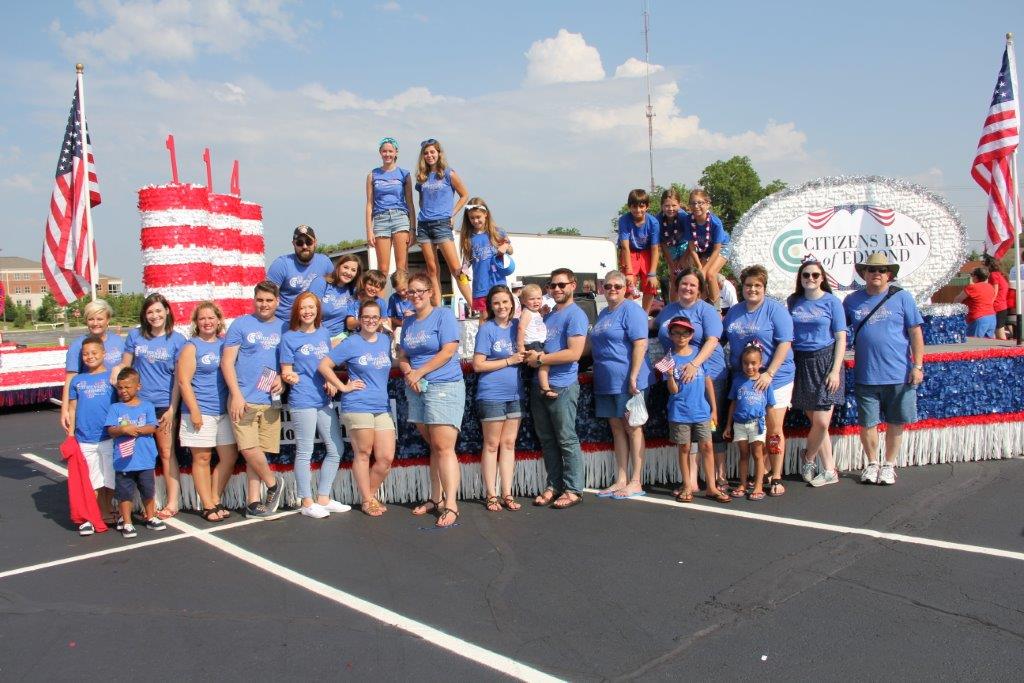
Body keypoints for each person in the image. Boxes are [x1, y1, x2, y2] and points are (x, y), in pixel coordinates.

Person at [844, 253, 924, 486]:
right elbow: (837, 328)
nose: (876, 274)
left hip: (898, 373)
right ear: (864, 274)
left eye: (881, 270)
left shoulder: (902, 298)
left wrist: (918, 366)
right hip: (866, 374)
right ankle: (872, 463)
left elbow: (916, 333)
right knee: (867, 423)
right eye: (871, 270)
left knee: (895, 421)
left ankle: (889, 464)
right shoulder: (852, 301)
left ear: (889, 274)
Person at [396, 272, 467, 527]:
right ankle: (435, 498)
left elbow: (448, 350)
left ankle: (451, 504)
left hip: (443, 385)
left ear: (429, 293)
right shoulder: (408, 323)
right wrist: (409, 374)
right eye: (410, 292)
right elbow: (403, 355)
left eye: (419, 291)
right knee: (434, 446)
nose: (415, 295)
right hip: (416, 388)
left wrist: (419, 372)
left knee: (444, 447)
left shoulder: (443, 315)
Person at [723, 265, 794, 497]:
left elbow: (785, 343)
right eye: (748, 285)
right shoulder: (734, 312)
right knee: (750, 431)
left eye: (757, 285)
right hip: (744, 380)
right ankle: (756, 477)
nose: (752, 289)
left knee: (773, 429)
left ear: (764, 287)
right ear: (741, 287)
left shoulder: (776, 310)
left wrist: (769, 373)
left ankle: (775, 476)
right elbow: (719, 338)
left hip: (775, 378)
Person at [652, 268, 728, 488]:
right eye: (684, 283)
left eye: (693, 285)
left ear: (700, 289)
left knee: (711, 425)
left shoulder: (707, 311)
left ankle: (719, 475)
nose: (687, 288)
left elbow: (712, 340)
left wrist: (695, 365)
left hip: (708, 373)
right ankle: (692, 478)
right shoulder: (668, 310)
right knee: (688, 425)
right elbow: (654, 326)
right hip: (679, 376)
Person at [280, 292, 352, 519]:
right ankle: (306, 501)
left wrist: (331, 382)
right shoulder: (289, 338)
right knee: (305, 450)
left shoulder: (323, 333)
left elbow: (327, 366)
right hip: (302, 400)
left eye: (311, 307)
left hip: (323, 400)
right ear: (297, 312)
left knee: (336, 448)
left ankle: (323, 497)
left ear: (317, 310)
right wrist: (290, 377)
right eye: (303, 308)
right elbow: (286, 370)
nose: (307, 311)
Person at [114, 293, 186, 518]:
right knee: (136, 454)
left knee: (166, 452)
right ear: (144, 315)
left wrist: (173, 408)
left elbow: (178, 380)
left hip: (164, 405)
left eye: (158, 310)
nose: (155, 316)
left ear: (167, 311)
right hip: (138, 406)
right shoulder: (135, 336)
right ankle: (138, 503)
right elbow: (125, 370)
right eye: (150, 312)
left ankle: (172, 502)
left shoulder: (178, 340)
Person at [321, 299, 395, 516]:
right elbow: (324, 365)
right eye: (366, 317)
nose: (371, 321)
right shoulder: (351, 342)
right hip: (357, 404)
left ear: (380, 319)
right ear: (359, 320)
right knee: (364, 453)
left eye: (375, 317)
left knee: (386, 457)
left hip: (382, 406)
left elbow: (392, 363)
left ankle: (368, 496)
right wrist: (343, 386)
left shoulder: (385, 340)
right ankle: (367, 500)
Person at [221, 281, 287, 518]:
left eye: (269, 300)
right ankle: (273, 484)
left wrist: (283, 378)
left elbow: (288, 363)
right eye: (260, 300)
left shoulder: (285, 327)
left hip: (270, 400)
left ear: (277, 301)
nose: (264, 304)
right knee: (248, 449)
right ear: (254, 300)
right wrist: (236, 395)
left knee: (258, 453)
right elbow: (227, 362)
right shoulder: (241, 324)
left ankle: (253, 502)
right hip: (243, 400)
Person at [528, 268, 588, 510]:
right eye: (553, 286)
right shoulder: (549, 315)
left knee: (566, 439)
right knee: (547, 440)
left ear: (573, 285)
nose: (557, 289)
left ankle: (573, 489)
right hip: (539, 385)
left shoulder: (576, 315)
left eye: (562, 285)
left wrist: (541, 359)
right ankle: (554, 485)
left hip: (563, 385)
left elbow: (574, 353)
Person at [590, 270, 653, 499]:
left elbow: (640, 344)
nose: (612, 290)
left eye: (617, 286)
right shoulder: (604, 313)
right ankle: (621, 479)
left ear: (625, 287)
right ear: (602, 289)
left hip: (627, 381)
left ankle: (636, 480)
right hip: (607, 383)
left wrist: (634, 376)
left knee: (633, 428)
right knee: (617, 429)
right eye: (608, 286)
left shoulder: (632, 311)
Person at [176, 302, 238, 521]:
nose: (207, 322)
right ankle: (207, 504)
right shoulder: (191, 347)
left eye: (211, 318)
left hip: (224, 411)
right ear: (196, 322)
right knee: (202, 458)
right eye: (202, 318)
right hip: (200, 410)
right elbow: (183, 382)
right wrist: (194, 410)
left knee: (229, 457)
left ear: (219, 320)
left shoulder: (225, 345)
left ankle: (215, 497)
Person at [788, 258, 847, 488]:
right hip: (802, 362)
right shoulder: (793, 301)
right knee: (815, 422)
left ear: (822, 277)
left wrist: (835, 370)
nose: (810, 279)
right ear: (800, 279)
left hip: (826, 362)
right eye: (806, 275)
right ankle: (830, 470)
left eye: (814, 275)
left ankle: (808, 458)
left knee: (822, 421)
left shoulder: (832, 302)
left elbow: (841, 337)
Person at [472, 285, 526, 511]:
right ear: (491, 307)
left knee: (508, 444)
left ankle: (507, 492)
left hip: (516, 394)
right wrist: (508, 361)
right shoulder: (487, 329)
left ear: (512, 304)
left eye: (505, 302)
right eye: (496, 303)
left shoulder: (518, 326)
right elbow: (478, 364)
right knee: (492, 444)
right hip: (491, 394)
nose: (501, 307)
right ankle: (491, 494)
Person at [663, 317, 722, 503]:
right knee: (685, 448)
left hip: (702, 410)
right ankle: (687, 484)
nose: (681, 337)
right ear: (670, 335)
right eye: (676, 333)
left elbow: (708, 381)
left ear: (691, 335)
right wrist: (671, 375)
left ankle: (711, 486)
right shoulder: (669, 358)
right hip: (680, 412)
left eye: (685, 333)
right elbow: (673, 391)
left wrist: (714, 409)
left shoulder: (698, 354)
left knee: (707, 446)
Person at [105, 367, 165, 539]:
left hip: (145, 459)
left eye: (127, 387)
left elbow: (152, 427)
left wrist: (135, 430)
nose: (123, 391)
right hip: (124, 461)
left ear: (138, 387)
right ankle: (127, 522)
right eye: (120, 388)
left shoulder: (147, 406)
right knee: (125, 493)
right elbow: (111, 430)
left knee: (148, 490)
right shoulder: (115, 408)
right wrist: (123, 429)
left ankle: (151, 516)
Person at [414, 139, 473, 308]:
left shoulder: (448, 173)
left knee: (456, 269)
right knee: (432, 269)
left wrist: (452, 214)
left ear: (439, 153)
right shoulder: (421, 178)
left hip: (442, 224)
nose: (429, 155)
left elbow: (464, 194)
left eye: (432, 152)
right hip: (424, 225)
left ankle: (473, 306)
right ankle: (437, 308)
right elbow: (422, 201)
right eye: (426, 153)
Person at [67, 335, 116, 534]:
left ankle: (108, 509)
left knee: (109, 478)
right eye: (85, 354)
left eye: (94, 353)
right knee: (92, 480)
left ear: (104, 354)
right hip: (85, 438)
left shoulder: (112, 377)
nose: (90, 357)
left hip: (109, 437)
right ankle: (90, 515)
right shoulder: (78, 380)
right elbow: (72, 408)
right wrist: (71, 435)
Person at [61, 299, 124, 435]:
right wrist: (65, 410)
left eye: (100, 319)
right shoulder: (78, 346)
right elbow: (70, 380)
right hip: (91, 407)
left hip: (117, 405)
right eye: (91, 319)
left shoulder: (118, 342)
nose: (95, 323)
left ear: (108, 320)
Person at [723, 344, 776, 501]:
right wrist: (728, 425)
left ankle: (759, 485)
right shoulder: (738, 381)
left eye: (753, 363)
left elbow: (770, 406)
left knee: (758, 454)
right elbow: (733, 403)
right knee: (744, 454)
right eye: (746, 363)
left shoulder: (765, 382)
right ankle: (743, 484)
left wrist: (773, 427)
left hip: (757, 424)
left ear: (760, 363)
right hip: (739, 424)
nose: (749, 367)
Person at [365, 136, 415, 274]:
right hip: (381, 219)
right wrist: (369, 230)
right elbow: (369, 204)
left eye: (390, 151)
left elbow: (410, 203)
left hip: (400, 218)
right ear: (380, 152)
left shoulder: (404, 174)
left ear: (396, 152)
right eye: (384, 151)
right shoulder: (372, 175)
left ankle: (404, 295)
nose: (387, 154)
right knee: (383, 268)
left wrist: (412, 229)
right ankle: (381, 296)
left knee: (402, 267)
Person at [457, 197, 515, 318]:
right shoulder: (468, 238)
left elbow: (511, 250)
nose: (475, 221)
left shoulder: (498, 232)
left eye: (478, 217)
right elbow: (467, 262)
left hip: (498, 283)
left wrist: (505, 246)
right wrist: (463, 270)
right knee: (484, 317)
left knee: (502, 316)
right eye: (472, 218)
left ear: (486, 214)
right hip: (481, 286)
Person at [266, 225, 334, 323]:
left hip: (314, 322)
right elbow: (268, 297)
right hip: (286, 323)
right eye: (300, 243)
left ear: (315, 242)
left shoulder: (325, 262)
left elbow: (335, 290)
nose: (304, 246)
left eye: (308, 242)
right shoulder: (281, 264)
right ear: (293, 244)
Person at [681, 189, 730, 306]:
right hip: (704, 249)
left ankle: (717, 309)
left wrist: (704, 269)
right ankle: (703, 304)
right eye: (693, 203)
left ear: (707, 204)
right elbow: (692, 246)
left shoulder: (715, 223)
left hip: (721, 247)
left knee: (710, 274)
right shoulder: (688, 220)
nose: (696, 206)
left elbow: (717, 249)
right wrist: (699, 266)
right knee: (698, 276)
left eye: (700, 203)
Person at [617, 188, 661, 312]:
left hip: (647, 252)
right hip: (630, 252)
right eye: (634, 207)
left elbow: (655, 249)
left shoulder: (653, 222)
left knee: (650, 284)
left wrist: (652, 273)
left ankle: (644, 314)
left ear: (647, 206)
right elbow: (625, 246)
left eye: (641, 207)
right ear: (629, 207)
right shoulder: (624, 220)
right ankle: (629, 312)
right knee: (628, 283)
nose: (638, 210)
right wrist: (629, 272)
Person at [311, 254, 362, 345]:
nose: (349, 272)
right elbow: (312, 314)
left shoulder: (352, 290)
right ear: (338, 267)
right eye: (345, 267)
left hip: (343, 337)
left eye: (353, 270)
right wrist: (327, 340)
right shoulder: (321, 283)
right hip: (319, 337)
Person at [517, 283, 552, 396]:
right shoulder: (526, 312)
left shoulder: (535, 312)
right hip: (532, 344)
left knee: (537, 366)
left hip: (539, 343)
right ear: (523, 301)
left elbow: (536, 320)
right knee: (544, 362)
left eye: (539, 298)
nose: (536, 301)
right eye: (532, 299)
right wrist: (520, 346)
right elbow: (521, 328)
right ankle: (545, 388)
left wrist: (543, 312)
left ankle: (532, 382)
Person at [658, 187, 690, 301]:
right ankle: (673, 306)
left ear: (679, 205)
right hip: (670, 246)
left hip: (685, 245)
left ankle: (692, 303)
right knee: (674, 276)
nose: (670, 209)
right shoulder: (658, 220)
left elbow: (691, 242)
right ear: (662, 206)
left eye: (674, 206)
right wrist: (671, 263)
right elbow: (663, 244)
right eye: (666, 206)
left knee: (688, 275)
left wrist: (683, 260)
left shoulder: (684, 217)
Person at [955, 266, 997, 338]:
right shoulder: (990, 287)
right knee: (987, 345)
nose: (971, 277)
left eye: (972, 275)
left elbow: (957, 300)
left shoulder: (972, 288)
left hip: (979, 318)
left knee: (974, 344)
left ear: (976, 276)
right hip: (992, 317)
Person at [344, 269, 389, 333]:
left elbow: (384, 322)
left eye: (377, 287)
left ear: (381, 289)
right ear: (364, 283)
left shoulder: (381, 303)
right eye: (370, 284)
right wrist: (366, 320)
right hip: (357, 335)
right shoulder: (353, 300)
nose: (373, 288)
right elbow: (349, 325)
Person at [983, 255, 1010, 340]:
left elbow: (995, 291)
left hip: (997, 307)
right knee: (999, 332)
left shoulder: (993, 275)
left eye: (984, 265)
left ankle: (1006, 352)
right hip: (1002, 306)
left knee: (1000, 334)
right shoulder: (1000, 274)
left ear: (988, 265)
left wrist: (989, 304)